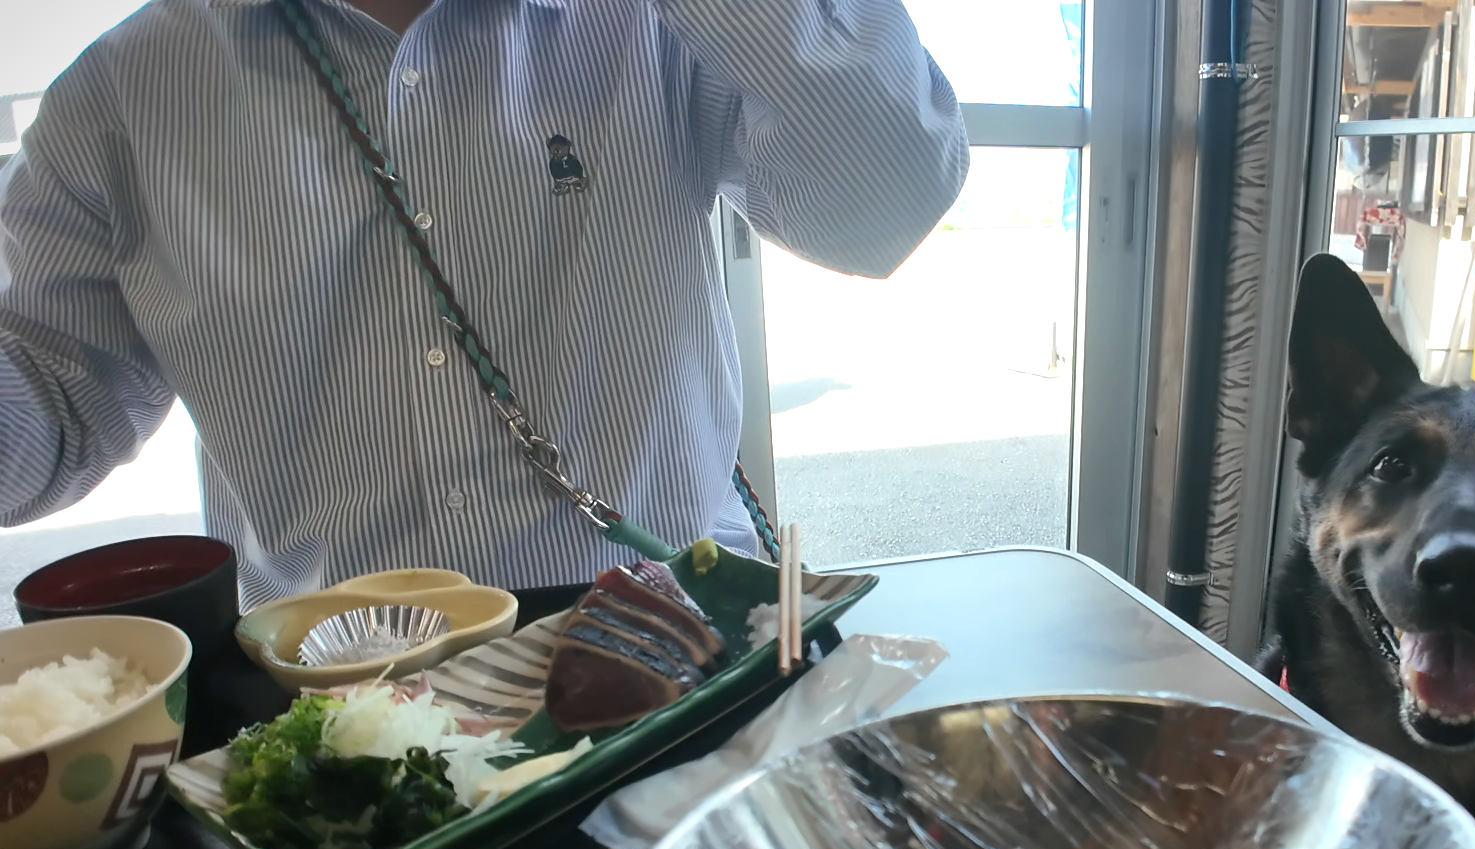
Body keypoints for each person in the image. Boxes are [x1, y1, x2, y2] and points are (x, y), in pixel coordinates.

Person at [0, 0, 968, 607]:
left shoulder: (646, 23)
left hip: (679, 644)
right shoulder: (122, 93)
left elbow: (879, 208)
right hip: (336, 693)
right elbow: (52, 416)